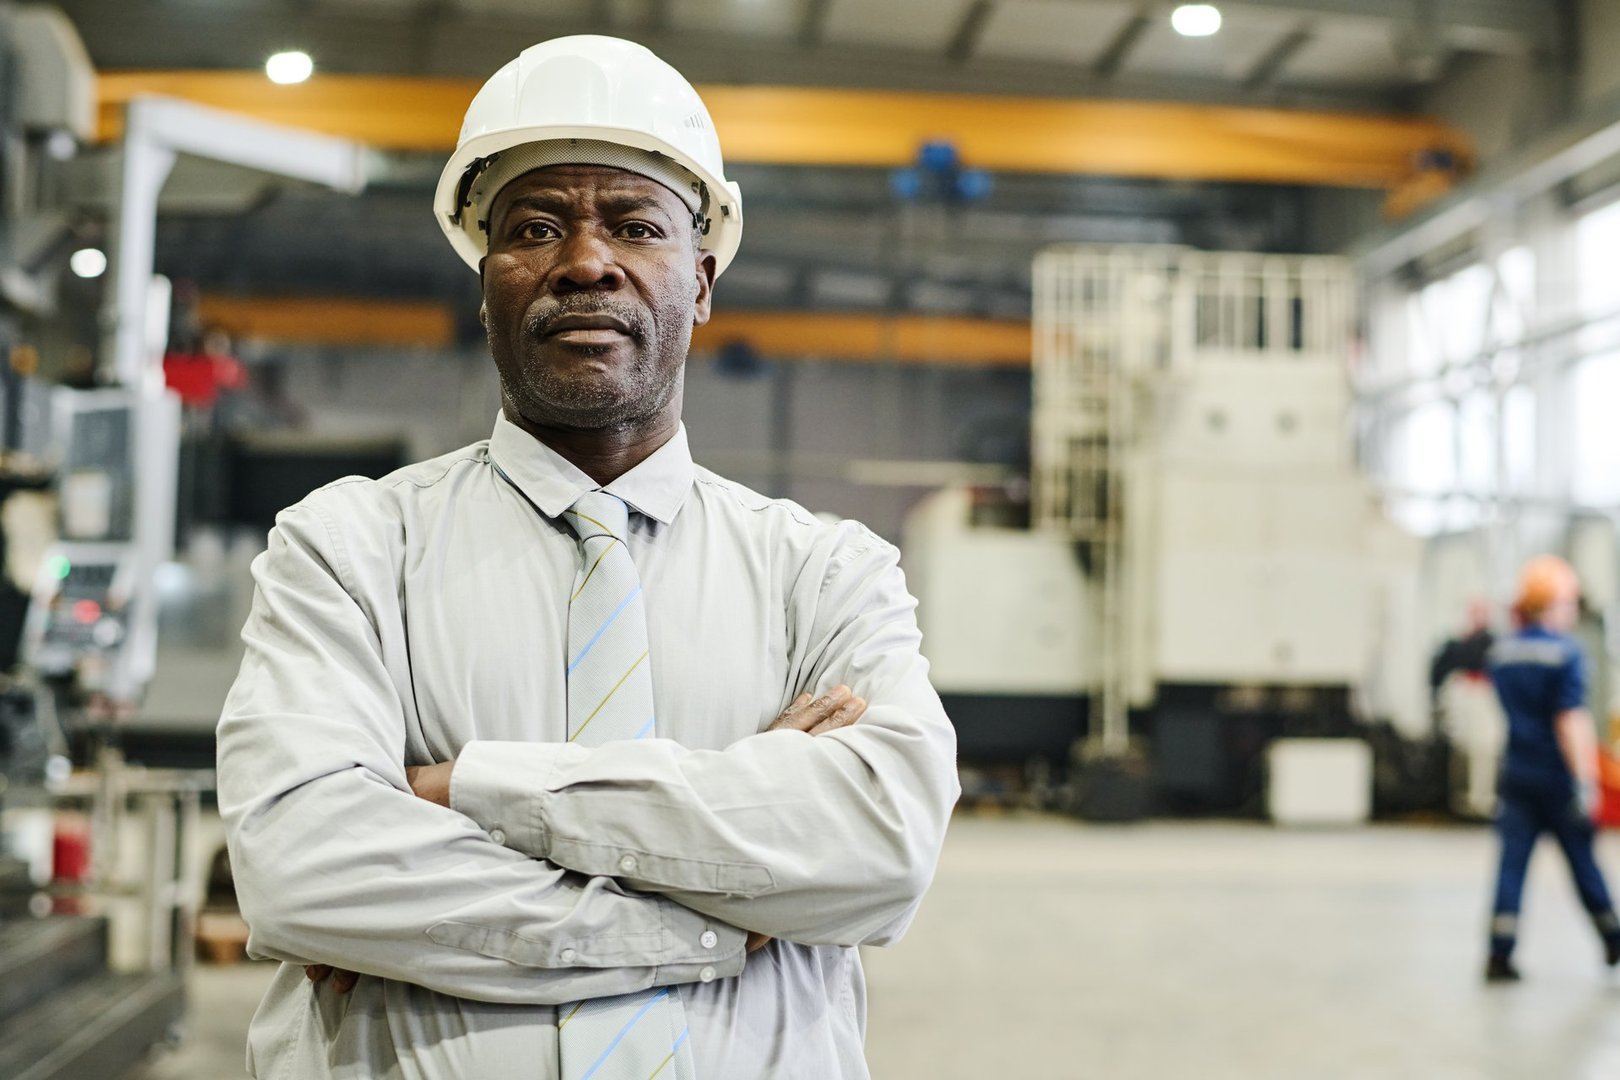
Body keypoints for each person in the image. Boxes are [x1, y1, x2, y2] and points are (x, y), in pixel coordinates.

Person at [215, 35, 960, 1079]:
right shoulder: (348, 549)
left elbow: (877, 855)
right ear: (487, 284)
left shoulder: (826, 573)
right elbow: (306, 872)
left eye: (637, 225)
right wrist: (707, 914)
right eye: (535, 227)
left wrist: (462, 790)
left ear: (700, 283)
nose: (585, 260)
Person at [1484, 554, 1620, 982]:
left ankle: (1499, 953)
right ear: (1553, 604)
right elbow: (1570, 720)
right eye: (1570, 603)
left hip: (1516, 773)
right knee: (1582, 860)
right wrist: (1585, 780)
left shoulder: (1503, 652)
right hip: (1558, 777)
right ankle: (1613, 940)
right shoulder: (1565, 653)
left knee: (1511, 865)